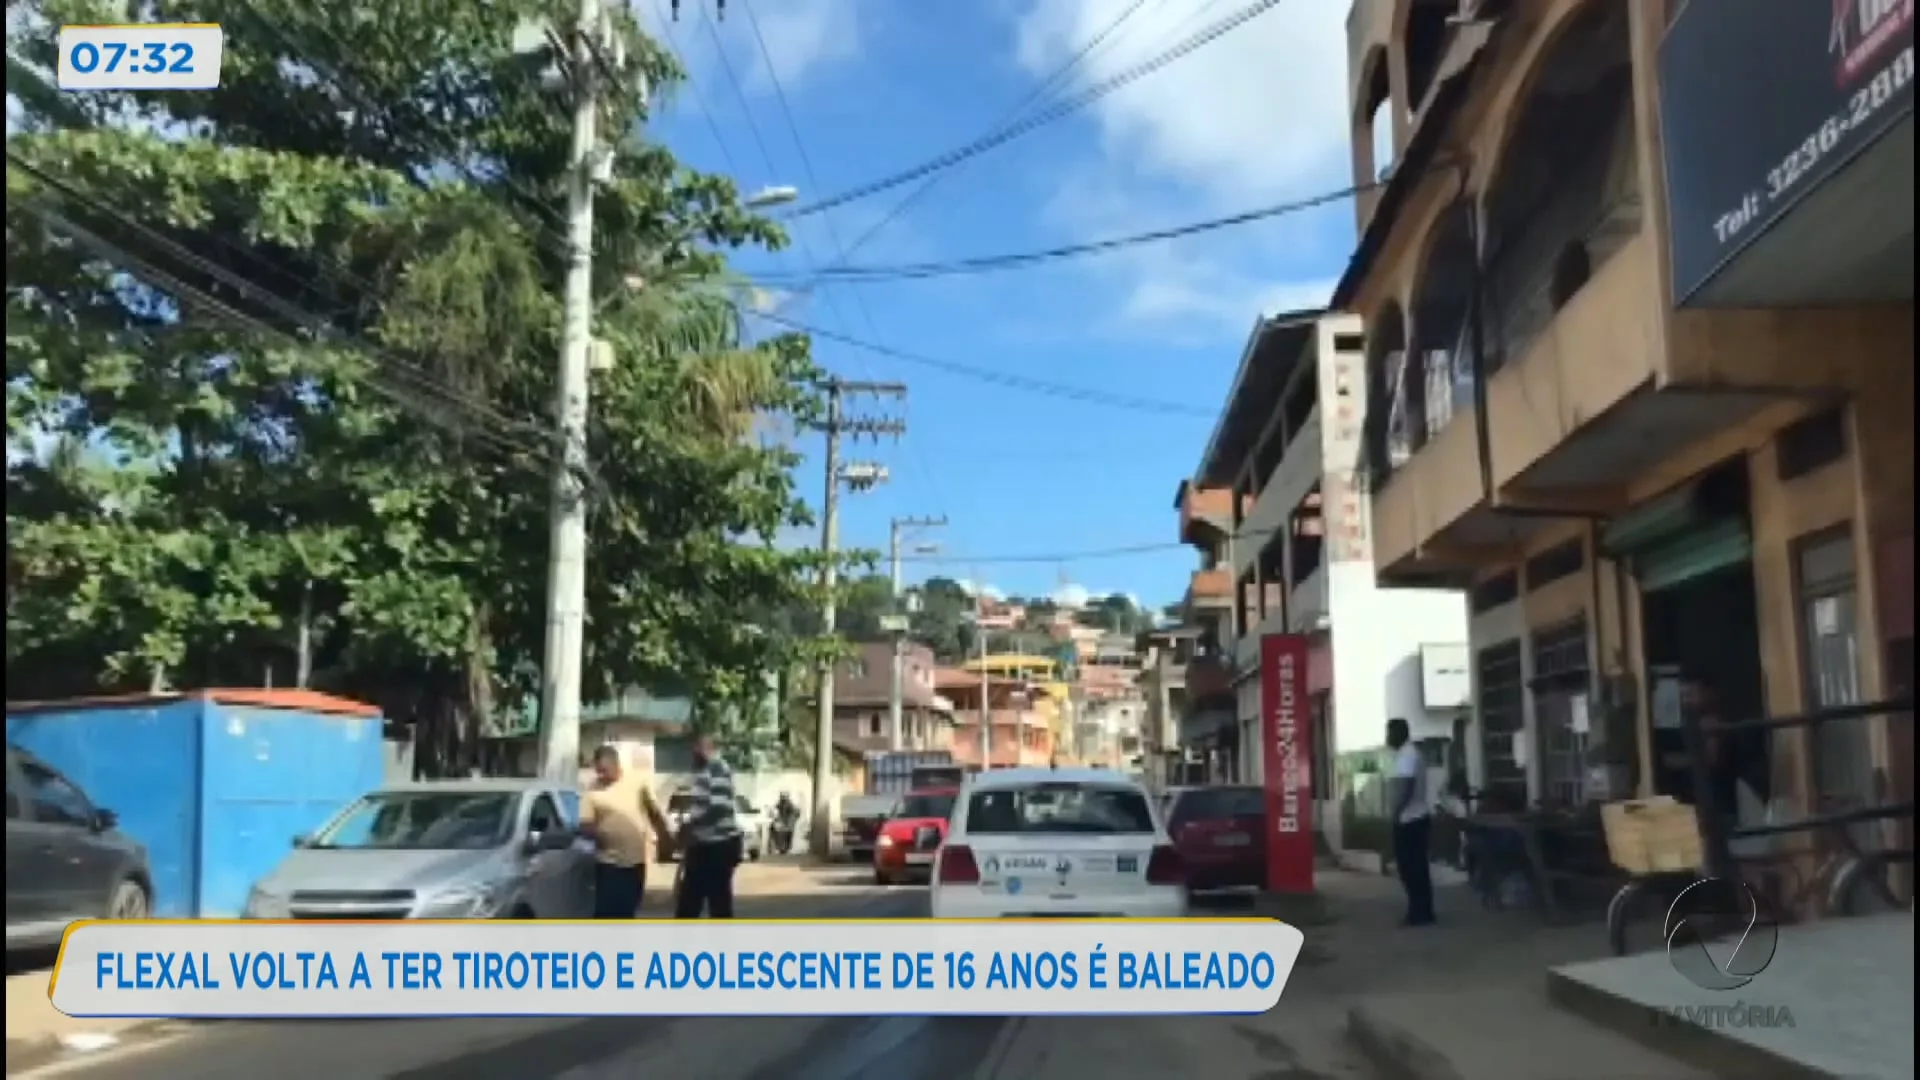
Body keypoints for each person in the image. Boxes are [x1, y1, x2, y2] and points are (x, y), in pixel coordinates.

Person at [577, 745, 672, 919]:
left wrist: (665, 838)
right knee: (606, 913)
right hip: (608, 864)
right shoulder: (592, 791)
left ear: (616, 765)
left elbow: (654, 812)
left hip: (635, 863)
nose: (601, 776)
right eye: (598, 771)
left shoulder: (637, 781)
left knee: (627, 911)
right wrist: (598, 834)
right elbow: (584, 823)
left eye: (604, 771)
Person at [676, 734, 744, 919]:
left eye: (695, 748)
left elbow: (719, 807)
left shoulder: (717, 767)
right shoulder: (707, 769)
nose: (692, 753)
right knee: (695, 901)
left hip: (716, 845)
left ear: (706, 748)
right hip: (705, 844)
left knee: (713, 903)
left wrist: (691, 825)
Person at [1386, 718, 1436, 927]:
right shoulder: (1409, 754)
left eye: (1389, 733)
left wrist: (1395, 814)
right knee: (1416, 867)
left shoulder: (1407, 756)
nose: (1387, 738)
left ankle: (1419, 912)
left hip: (1410, 819)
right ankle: (1422, 910)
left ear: (1399, 734)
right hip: (1416, 817)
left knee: (1410, 868)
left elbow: (1405, 788)